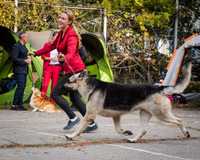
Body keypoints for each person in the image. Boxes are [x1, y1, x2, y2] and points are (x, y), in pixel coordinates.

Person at [34, 10, 97, 132]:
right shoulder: (60, 34)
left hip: (76, 71)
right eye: (59, 17)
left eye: (63, 18)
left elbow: (72, 52)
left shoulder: (71, 35)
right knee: (75, 99)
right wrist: (36, 53)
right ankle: (91, 124)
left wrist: (65, 57)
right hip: (71, 70)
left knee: (55, 94)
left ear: (69, 22)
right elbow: (50, 46)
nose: (59, 20)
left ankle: (73, 119)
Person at [34, 31, 62, 97]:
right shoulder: (47, 44)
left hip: (57, 67)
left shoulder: (60, 46)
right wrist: (51, 59)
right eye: (57, 36)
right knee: (45, 84)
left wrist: (60, 58)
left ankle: (52, 101)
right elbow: (43, 56)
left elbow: (63, 56)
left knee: (54, 85)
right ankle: (42, 100)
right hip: (48, 67)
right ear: (53, 36)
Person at [10, 31, 32, 111]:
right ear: (22, 37)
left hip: (24, 69)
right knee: (20, 87)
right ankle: (14, 104)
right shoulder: (16, 46)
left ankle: (20, 104)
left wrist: (29, 58)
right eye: (26, 37)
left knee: (22, 87)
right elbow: (14, 58)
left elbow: (24, 55)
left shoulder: (24, 46)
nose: (27, 38)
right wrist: (24, 61)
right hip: (18, 70)